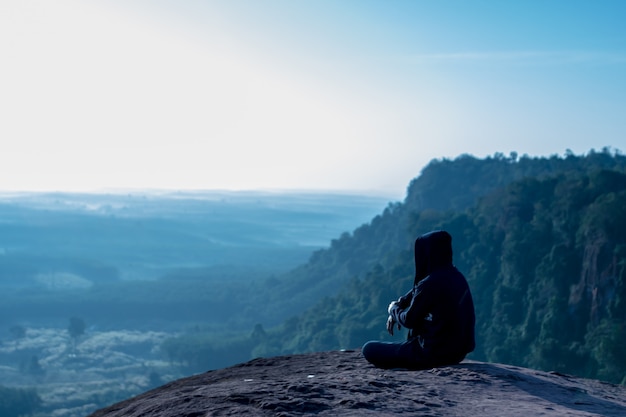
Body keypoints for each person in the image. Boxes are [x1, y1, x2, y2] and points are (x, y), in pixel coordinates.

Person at [362, 230, 475, 369]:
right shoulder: (456, 276)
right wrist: (401, 303)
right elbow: (417, 292)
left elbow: (409, 320)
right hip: (457, 353)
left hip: (432, 354)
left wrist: (393, 310)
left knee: (369, 349)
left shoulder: (430, 284)